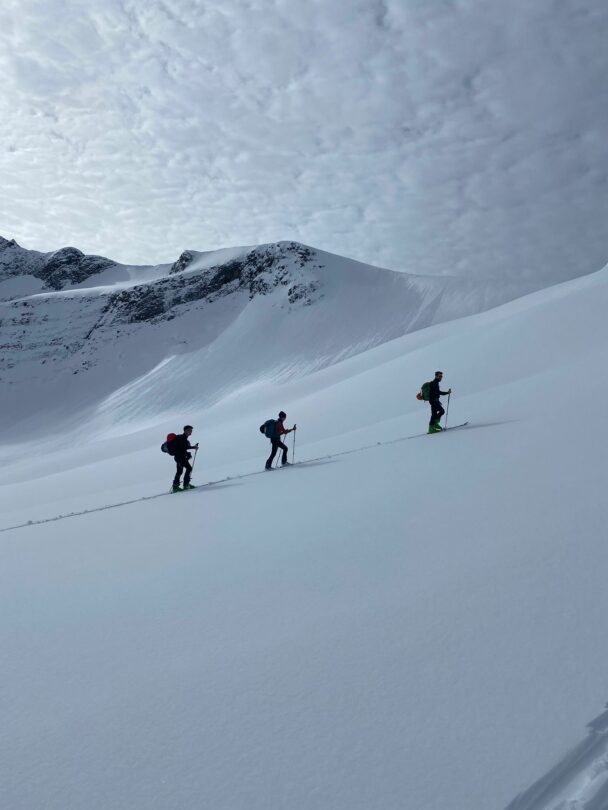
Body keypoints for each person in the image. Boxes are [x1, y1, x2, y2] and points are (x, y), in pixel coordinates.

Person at [172, 425, 199, 492]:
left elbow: (184, 447)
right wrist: (188, 453)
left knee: (180, 471)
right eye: (189, 430)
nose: (191, 431)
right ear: (185, 431)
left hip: (180, 457)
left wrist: (193, 447)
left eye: (191, 430)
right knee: (186, 469)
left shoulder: (183, 438)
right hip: (179, 457)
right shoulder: (182, 438)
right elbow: (181, 449)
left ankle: (181, 485)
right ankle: (182, 486)